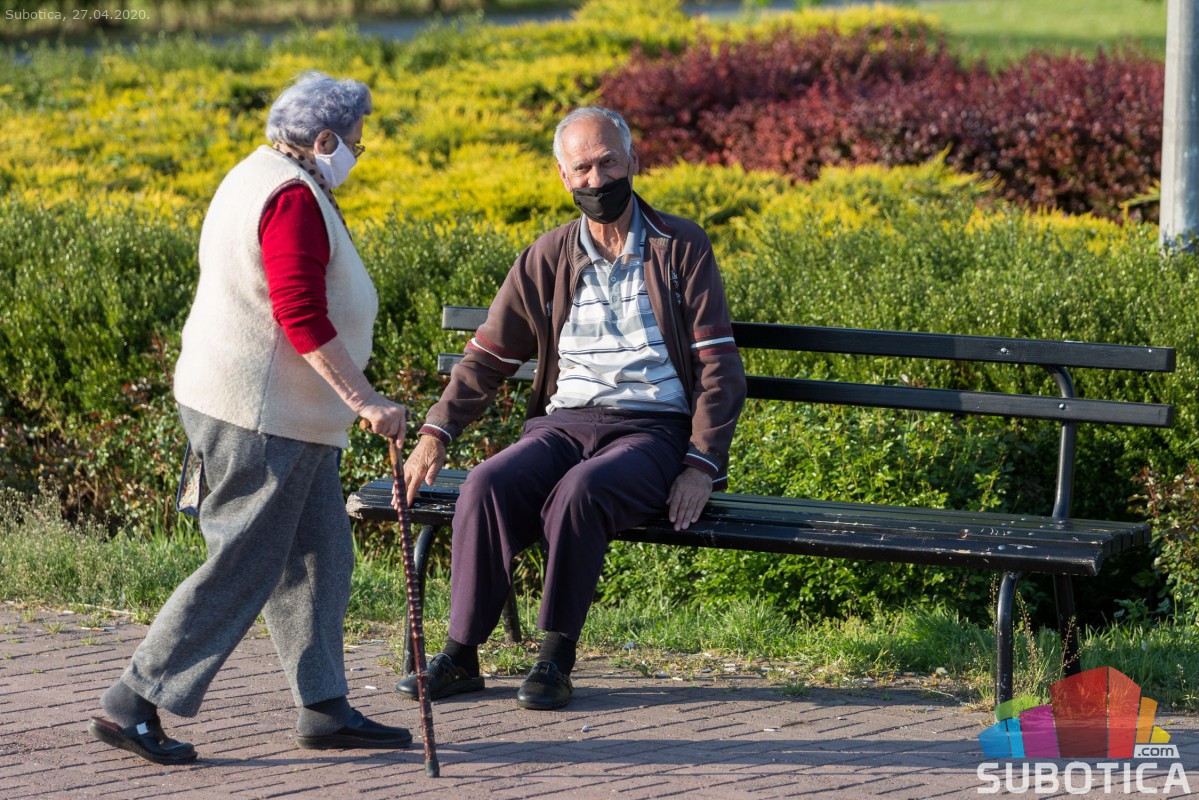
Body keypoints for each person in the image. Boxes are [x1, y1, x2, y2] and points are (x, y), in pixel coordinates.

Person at [89, 71, 413, 765]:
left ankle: (323, 707)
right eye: (355, 142)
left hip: (279, 412)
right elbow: (300, 313)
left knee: (320, 554)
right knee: (244, 560)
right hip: (262, 416)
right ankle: (131, 702)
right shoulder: (290, 197)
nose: (357, 152)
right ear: (323, 139)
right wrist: (366, 400)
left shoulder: (258, 172)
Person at [395, 106, 746, 711]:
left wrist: (700, 465)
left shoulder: (680, 246)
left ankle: (555, 657)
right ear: (564, 177)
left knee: (582, 491)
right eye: (582, 168)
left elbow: (719, 367)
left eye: (608, 162)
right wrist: (436, 433)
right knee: (485, 485)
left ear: (633, 160)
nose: (597, 179)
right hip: (562, 424)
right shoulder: (547, 255)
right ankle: (462, 653)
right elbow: (487, 356)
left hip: (652, 432)